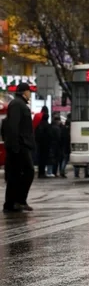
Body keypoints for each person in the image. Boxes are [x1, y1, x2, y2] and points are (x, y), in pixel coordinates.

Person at [2, 83, 36, 212]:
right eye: (29, 91)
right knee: (28, 171)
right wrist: (15, 146)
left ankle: (13, 203)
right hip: (19, 146)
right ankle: (18, 201)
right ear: (24, 92)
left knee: (15, 174)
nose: (30, 94)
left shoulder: (19, 104)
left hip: (20, 145)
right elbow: (13, 126)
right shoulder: (17, 104)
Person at [35, 107, 52, 178]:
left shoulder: (39, 125)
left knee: (40, 159)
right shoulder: (47, 125)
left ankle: (40, 173)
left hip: (39, 144)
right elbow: (49, 135)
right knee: (44, 159)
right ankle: (42, 173)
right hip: (46, 145)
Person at [60, 114, 71, 178]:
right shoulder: (69, 130)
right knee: (65, 159)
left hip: (64, 145)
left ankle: (62, 171)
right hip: (67, 145)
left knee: (64, 159)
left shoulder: (63, 129)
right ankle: (62, 171)